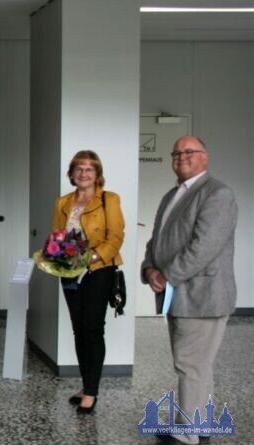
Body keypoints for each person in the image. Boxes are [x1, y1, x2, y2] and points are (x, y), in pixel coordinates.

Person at [141, 136, 237, 445]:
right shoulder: (173, 194)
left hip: (202, 296)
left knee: (190, 364)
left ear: (205, 157)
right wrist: (149, 269)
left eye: (189, 152)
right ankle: (200, 423)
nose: (181, 157)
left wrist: (167, 275)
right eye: (176, 153)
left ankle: (188, 433)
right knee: (197, 365)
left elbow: (204, 248)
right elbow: (155, 240)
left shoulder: (217, 194)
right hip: (179, 294)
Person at [50, 150, 124, 415]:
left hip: (98, 271)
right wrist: (51, 256)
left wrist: (88, 259)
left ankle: (91, 391)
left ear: (97, 174)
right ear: (71, 173)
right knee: (78, 330)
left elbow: (115, 237)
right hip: (70, 274)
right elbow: (57, 236)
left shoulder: (109, 199)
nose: (84, 174)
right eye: (79, 169)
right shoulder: (63, 202)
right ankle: (86, 384)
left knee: (93, 330)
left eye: (89, 169)